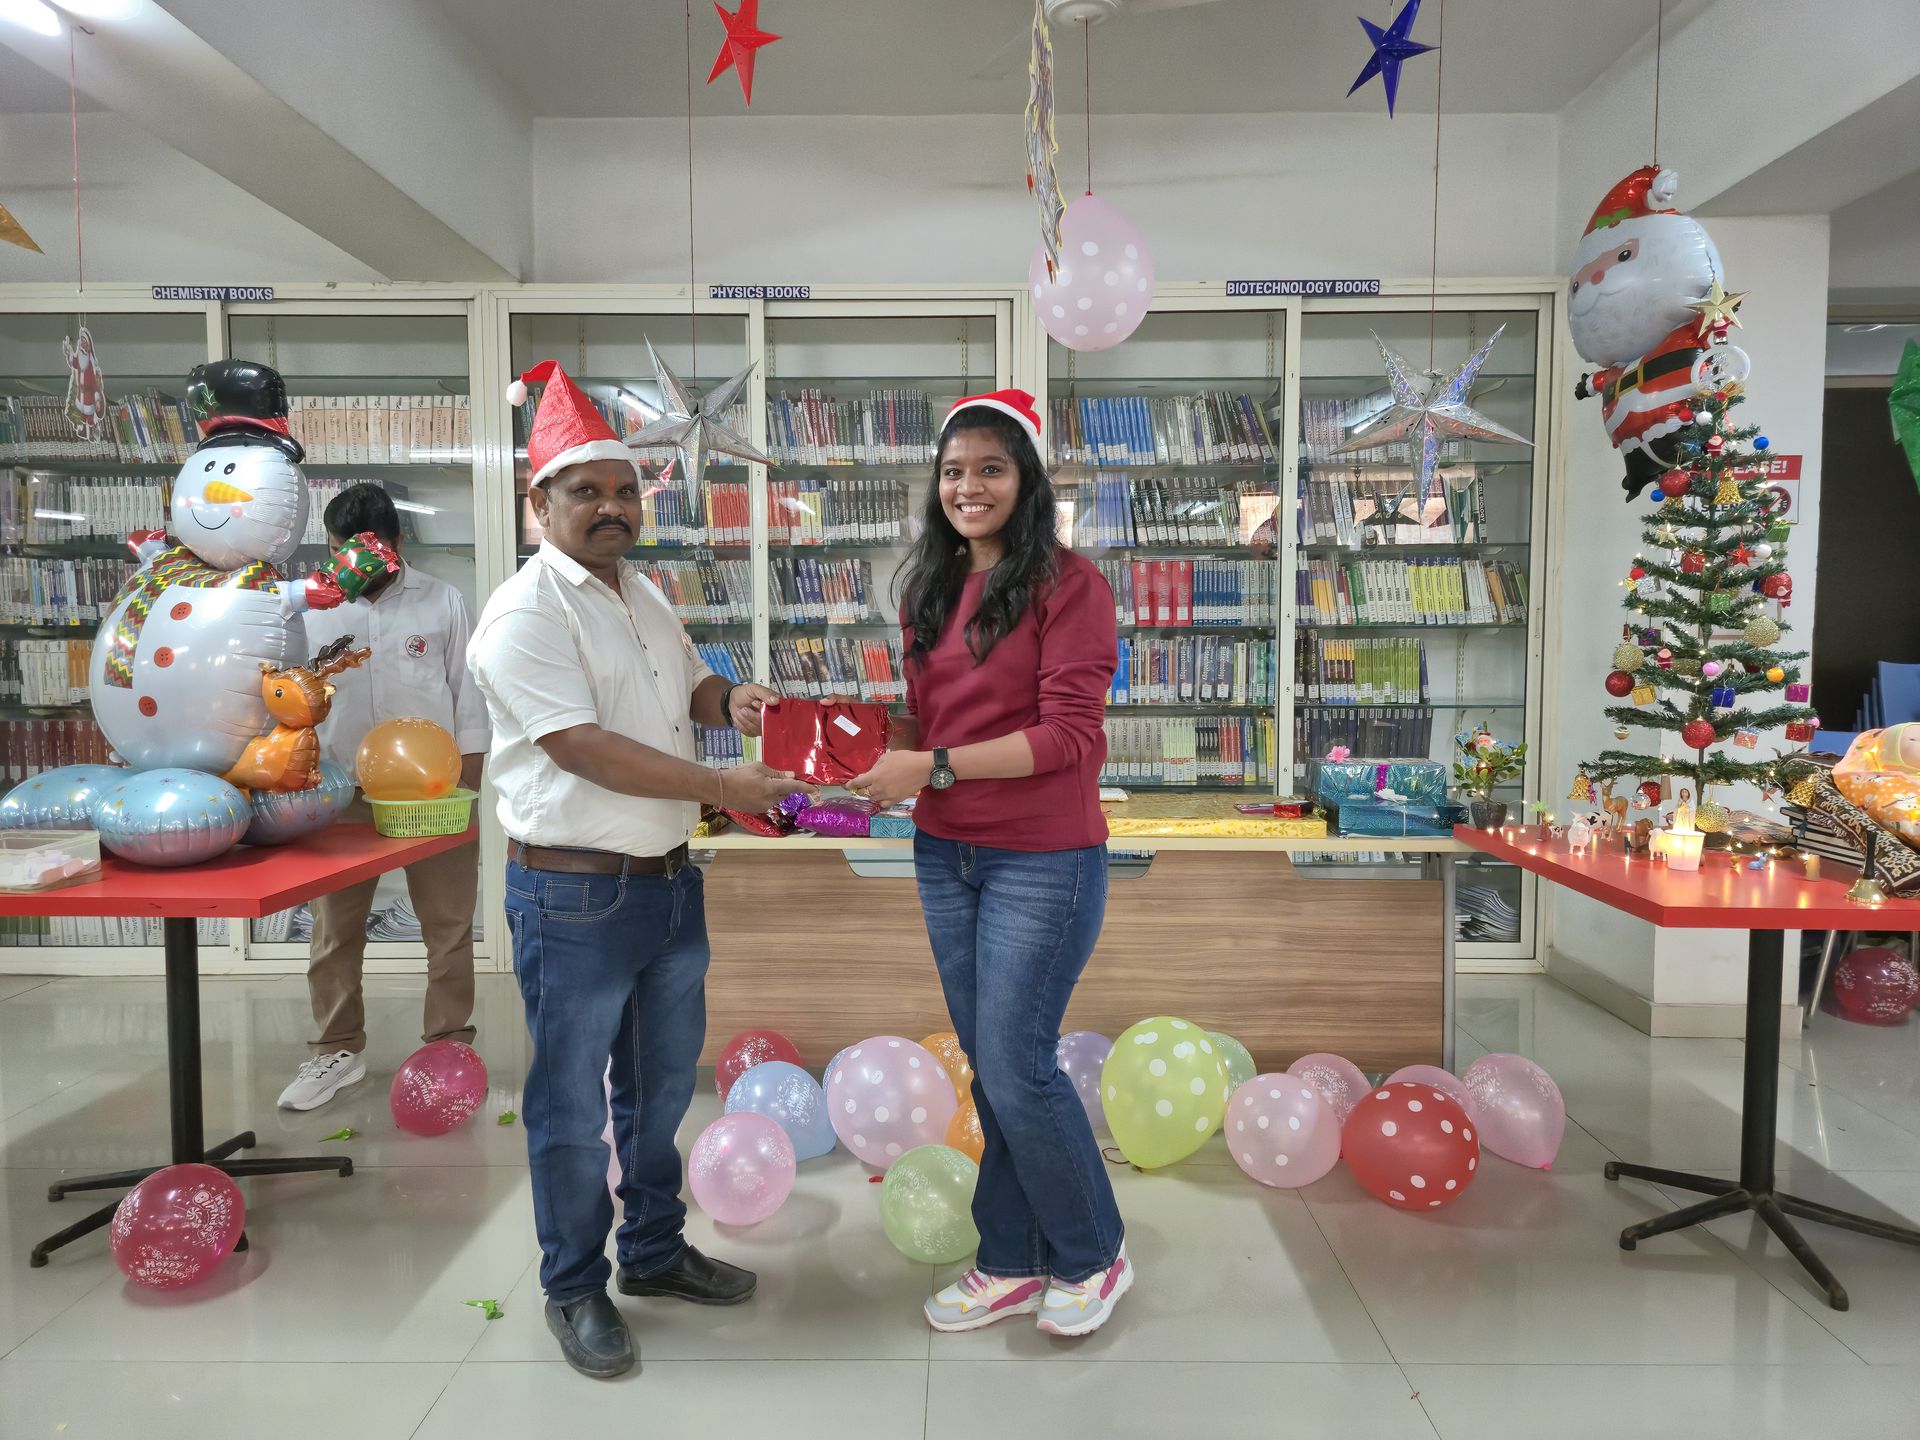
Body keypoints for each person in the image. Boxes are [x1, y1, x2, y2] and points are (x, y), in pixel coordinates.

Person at [469, 360, 811, 1380]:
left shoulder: (643, 592)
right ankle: (573, 1287)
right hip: (573, 893)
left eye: (625, 490)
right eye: (587, 491)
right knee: (571, 1109)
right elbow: (583, 747)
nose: (612, 507)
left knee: (660, 1094)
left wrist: (730, 702)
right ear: (540, 503)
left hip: (667, 884)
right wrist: (726, 786)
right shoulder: (526, 613)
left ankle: (653, 1254)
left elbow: (684, 687)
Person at [847, 388, 1130, 1338]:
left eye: (992, 469)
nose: (969, 486)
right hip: (947, 854)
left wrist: (930, 765)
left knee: (1017, 1069)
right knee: (993, 1069)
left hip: (1043, 858)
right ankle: (1012, 1258)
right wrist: (845, 746)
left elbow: (1068, 737)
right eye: (954, 471)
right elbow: (932, 722)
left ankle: (1094, 1253)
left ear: (1027, 479)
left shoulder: (1071, 586)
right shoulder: (926, 589)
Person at [277, 482, 488, 1112]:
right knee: (334, 930)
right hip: (338, 791)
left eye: (368, 551)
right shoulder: (310, 611)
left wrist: (467, 787)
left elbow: (469, 699)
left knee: (448, 927)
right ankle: (335, 1050)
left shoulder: (442, 601)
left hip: (433, 793)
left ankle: (447, 1045)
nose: (353, 566)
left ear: (396, 542)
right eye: (340, 552)